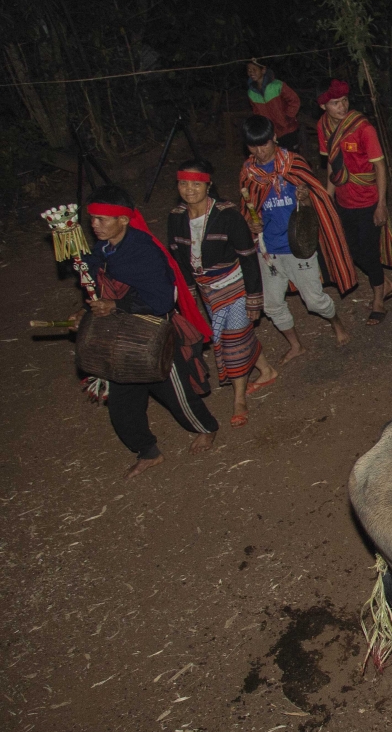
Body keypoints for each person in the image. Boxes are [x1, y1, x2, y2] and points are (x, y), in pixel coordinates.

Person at [76, 186, 218, 478]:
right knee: (121, 404)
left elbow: (161, 300)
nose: (95, 225)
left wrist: (116, 305)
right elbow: (97, 283)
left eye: (103, 219)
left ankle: (206, 428)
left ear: (124, 220)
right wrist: (87, 308)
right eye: (93, 219)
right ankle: (147, 451)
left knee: (176, 393)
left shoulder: (142, 251)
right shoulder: (102, 250)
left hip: (153, 333)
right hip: (121, 337)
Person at [167, 159, 278, 428]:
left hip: (235, 283)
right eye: (183, 183)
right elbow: (178, 259)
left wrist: (254, 296)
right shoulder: (176, 217)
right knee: (237, 334)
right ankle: (267, 369)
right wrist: (188, 293)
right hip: (207, 290)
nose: (189, 189)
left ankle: (239, 399)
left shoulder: (226, 213)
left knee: (232, 341)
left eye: (196, 183)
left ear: (208, 185)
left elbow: (247, 256)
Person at [239, 114, 354, 361]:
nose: (259, 151)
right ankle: (296, 345)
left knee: (314, 302)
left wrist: (304, 198)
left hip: (297, 247)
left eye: (264, 144)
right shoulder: (249, 173)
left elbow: (315, 203)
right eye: (253, 146)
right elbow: (248, 208)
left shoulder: (294, 163)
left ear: (274, 138)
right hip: (268, 251)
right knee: (271, 305)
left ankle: (336, 322)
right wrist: (250, 223)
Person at [316, 79, 392, 325]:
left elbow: (380, 166)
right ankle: (386, 283)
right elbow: (331, 163)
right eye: (335, 103)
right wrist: (327, 199)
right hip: (343, 200)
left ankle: (378, 300)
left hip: (368, 200)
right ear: (323, 107)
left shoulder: (363, 128)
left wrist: (381, 204)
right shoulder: (323, 127)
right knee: (349, 250)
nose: (342, 107)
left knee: (369, 252)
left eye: (344, 101)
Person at [247, 60, 302, 153]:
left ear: (263, 70)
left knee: (292, 157)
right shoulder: (251, 92)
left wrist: (288, 117)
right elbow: (256, 112)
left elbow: (294, 100)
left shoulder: (277, 85)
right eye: (248, 70)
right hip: (270, 133)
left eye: (254, 69)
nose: (251, 72)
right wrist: (262, 127)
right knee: (275, 159)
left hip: (287, 129)